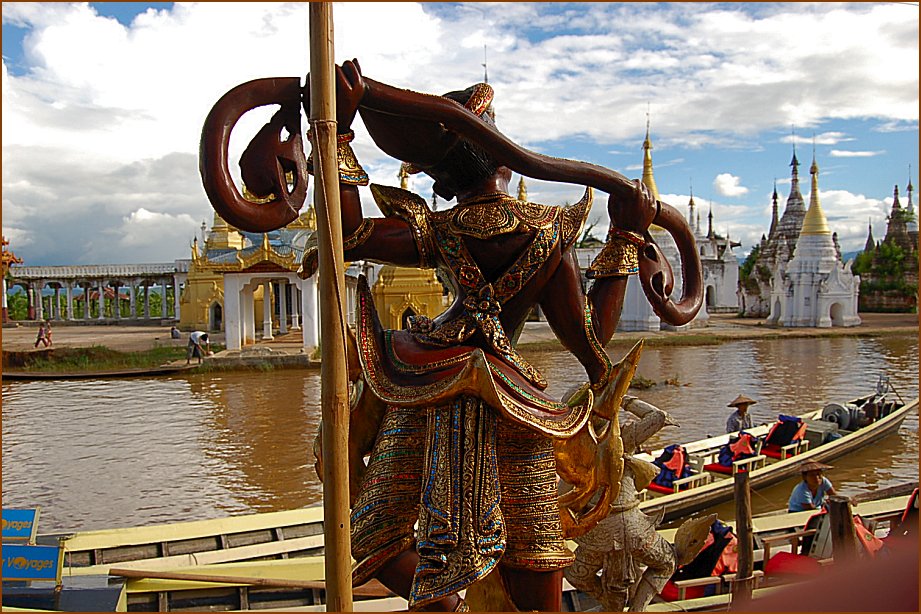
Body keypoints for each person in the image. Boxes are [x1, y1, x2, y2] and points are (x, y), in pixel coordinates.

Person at [302, 60, 671, 612]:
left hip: (428, 382)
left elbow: (350, 232)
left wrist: (338, 135)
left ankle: (442, 602)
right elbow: (592, 338)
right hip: (509, 401)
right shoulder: (547, 232)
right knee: (537, 550)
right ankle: (450, 598)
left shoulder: (436, 229)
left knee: (378, 533)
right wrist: (623, 237)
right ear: (497, 154)